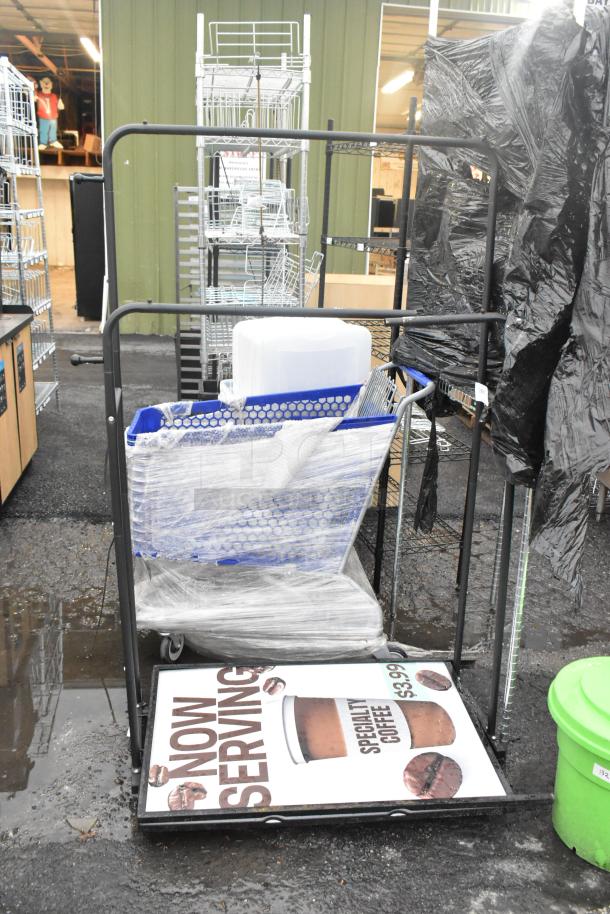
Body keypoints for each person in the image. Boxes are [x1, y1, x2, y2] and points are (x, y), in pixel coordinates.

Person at [35, 76, 64, 150]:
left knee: (53, 129)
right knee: (43, 129)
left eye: (48, 83)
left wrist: (60, 104)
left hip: (53, 117)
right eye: (45, 83)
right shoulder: (38, 95)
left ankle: (53, 140)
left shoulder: (54, 96)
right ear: (41, 84)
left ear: (51, 84)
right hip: (43, 116)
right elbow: (33, 99)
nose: (46, 85)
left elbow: (60, 107)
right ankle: (43, 142)